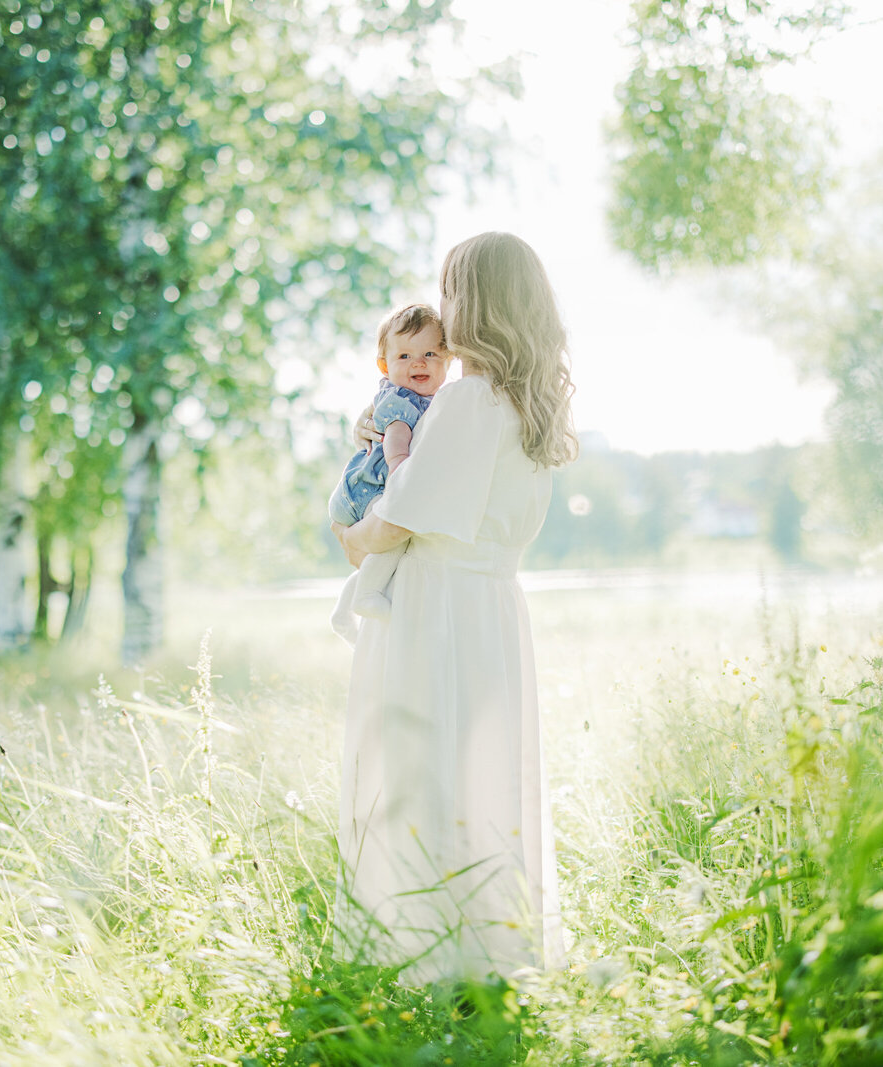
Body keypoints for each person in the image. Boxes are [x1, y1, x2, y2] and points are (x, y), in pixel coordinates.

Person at [330, 232, 578, 983]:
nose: (442, 307)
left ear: (477, 301)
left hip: (436, 613)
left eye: (451, 289)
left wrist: (349, 530)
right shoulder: (531, 405)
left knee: (421, 774)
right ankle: (488, 955)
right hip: (492, 609)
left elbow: (391, 521)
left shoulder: (469, 399)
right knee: (481, 779)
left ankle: (423, 958)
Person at [327, 304, 451, 645]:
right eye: (405, 357)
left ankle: (343, 609)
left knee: (386, 559)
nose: (418, 363)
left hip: (361, 489)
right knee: (394, 536)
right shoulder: (402, 401)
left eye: (429, 353)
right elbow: (397, 440)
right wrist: (401, 475)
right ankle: (365, 596)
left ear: (448, 358)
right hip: (370, 490)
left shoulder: (424, 398)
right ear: (384, 365)